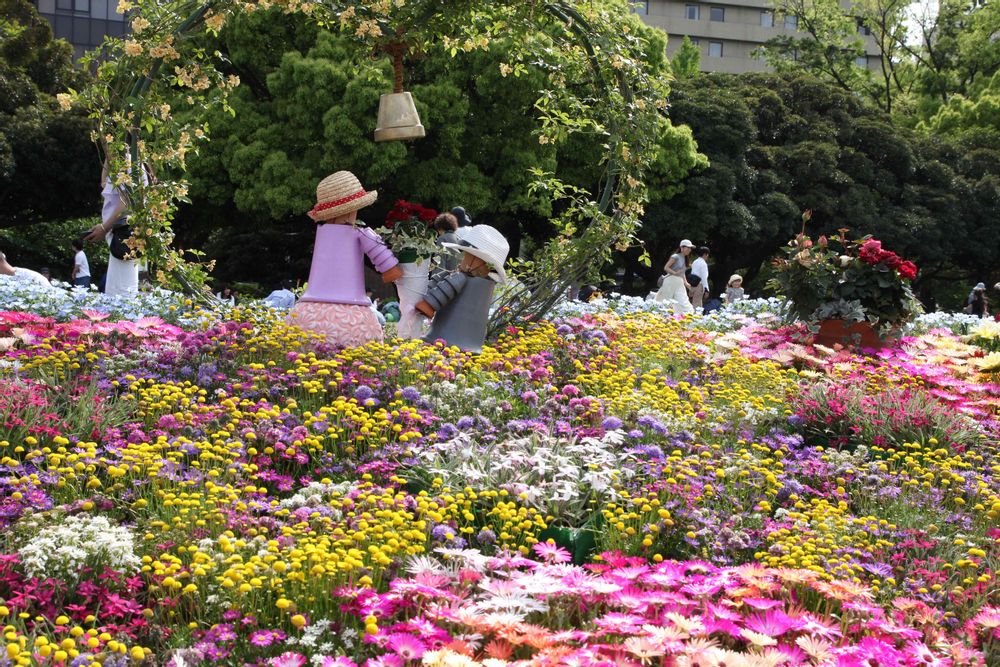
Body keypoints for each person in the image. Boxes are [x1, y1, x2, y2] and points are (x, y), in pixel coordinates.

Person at [286, 171, 402, 346]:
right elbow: (388, 266)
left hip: (308, 311)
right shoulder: (362, 234)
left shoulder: (322, 233)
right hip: (352, 314)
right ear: (350, 212)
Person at [415, 224, 509, 353]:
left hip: (449, 339)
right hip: (466, 342)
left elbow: (441, 292)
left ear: (476, 261)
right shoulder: (486, 286)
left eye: (467, 255)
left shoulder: (461, 279)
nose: (463, 259)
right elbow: (438, 282)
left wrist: (427, 305)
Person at [84, 158, 141, 296]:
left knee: (121, 289)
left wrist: (104, 227)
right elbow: (104, 183)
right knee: (118, 287)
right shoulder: (124, 161)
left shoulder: (128, 162)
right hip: (119, 232)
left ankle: (123, 315)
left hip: (124, 233)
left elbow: (127, 201)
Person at [654, 239, 694, 314]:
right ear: (682, 248)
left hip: (679, 282)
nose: (689, 249)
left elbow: (682, 273)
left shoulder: (685, 259)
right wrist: (675, 273)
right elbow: (666, 268)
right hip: (670, 281)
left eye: (690, 248)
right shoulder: (675, 256)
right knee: (665, 301)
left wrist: (686, 283)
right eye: (687, 248)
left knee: (684, 302)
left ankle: (683, 318)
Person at [689, 246, 710, 312]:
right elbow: (704, 278)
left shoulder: (695, 261)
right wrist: (707, 289)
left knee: (690, 303)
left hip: (691, 284)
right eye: (707, 254)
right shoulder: (703, 264)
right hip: (699, 285)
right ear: (705, 254)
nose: (707, 256)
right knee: (697, 304)